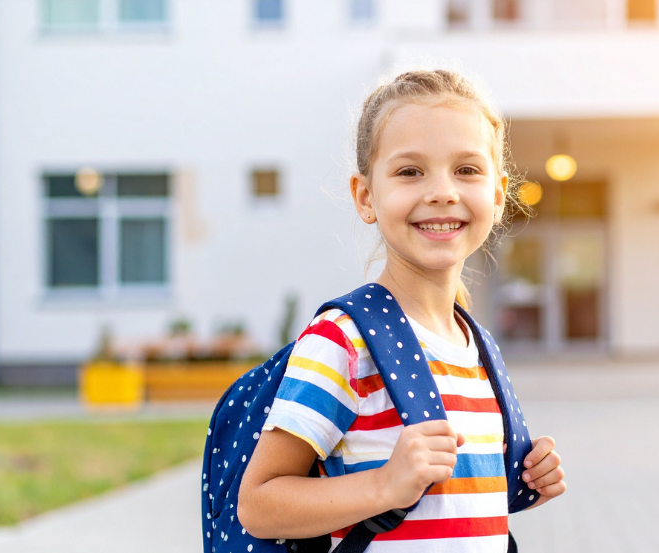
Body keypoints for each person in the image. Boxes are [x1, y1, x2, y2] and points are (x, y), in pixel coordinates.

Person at [237, 69, 566, 551]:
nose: (441, 191)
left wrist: (525, 484)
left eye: (467, 170)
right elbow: (259, 506)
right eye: (410, 171)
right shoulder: (343, 342)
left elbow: (452, 512)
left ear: (497, 198)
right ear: (366, 197)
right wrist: (383, 485)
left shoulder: (479, 348)